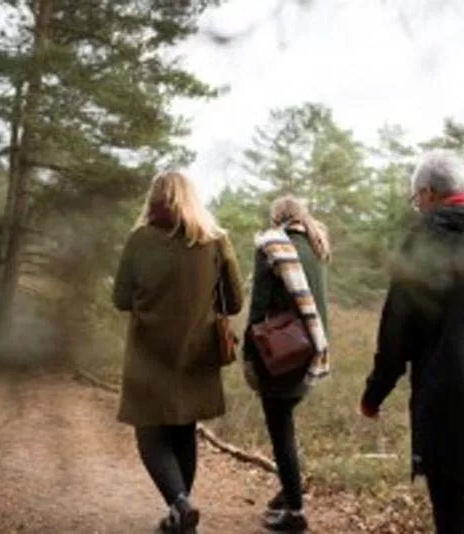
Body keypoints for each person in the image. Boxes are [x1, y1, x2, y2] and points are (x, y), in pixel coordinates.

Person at [359, 149, 464, 534]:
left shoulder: (424, 243)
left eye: (417, 197)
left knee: (452, 504)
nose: (417, 206)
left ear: (430, 193)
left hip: (447, 392)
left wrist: (374, 394)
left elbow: (398, 330)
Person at [112, 171, 244, 534]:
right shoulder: (216, 241)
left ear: (154, 199)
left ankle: (180, 505)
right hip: (197, 353)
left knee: (149, 433)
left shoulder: (140, 239)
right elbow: (233, 303)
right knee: (184, 428)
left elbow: (120, 298)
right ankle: (180, 514)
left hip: (148, 352)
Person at [242, 195, 331, 533]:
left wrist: (248, 354)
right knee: (286, 424)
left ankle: (295, 511)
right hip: (312, 348)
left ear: (277, 218)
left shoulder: (272, 247)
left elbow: (259, 306)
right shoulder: (315, 245)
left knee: (280, 431)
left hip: (280, 352)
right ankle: (290, 488)